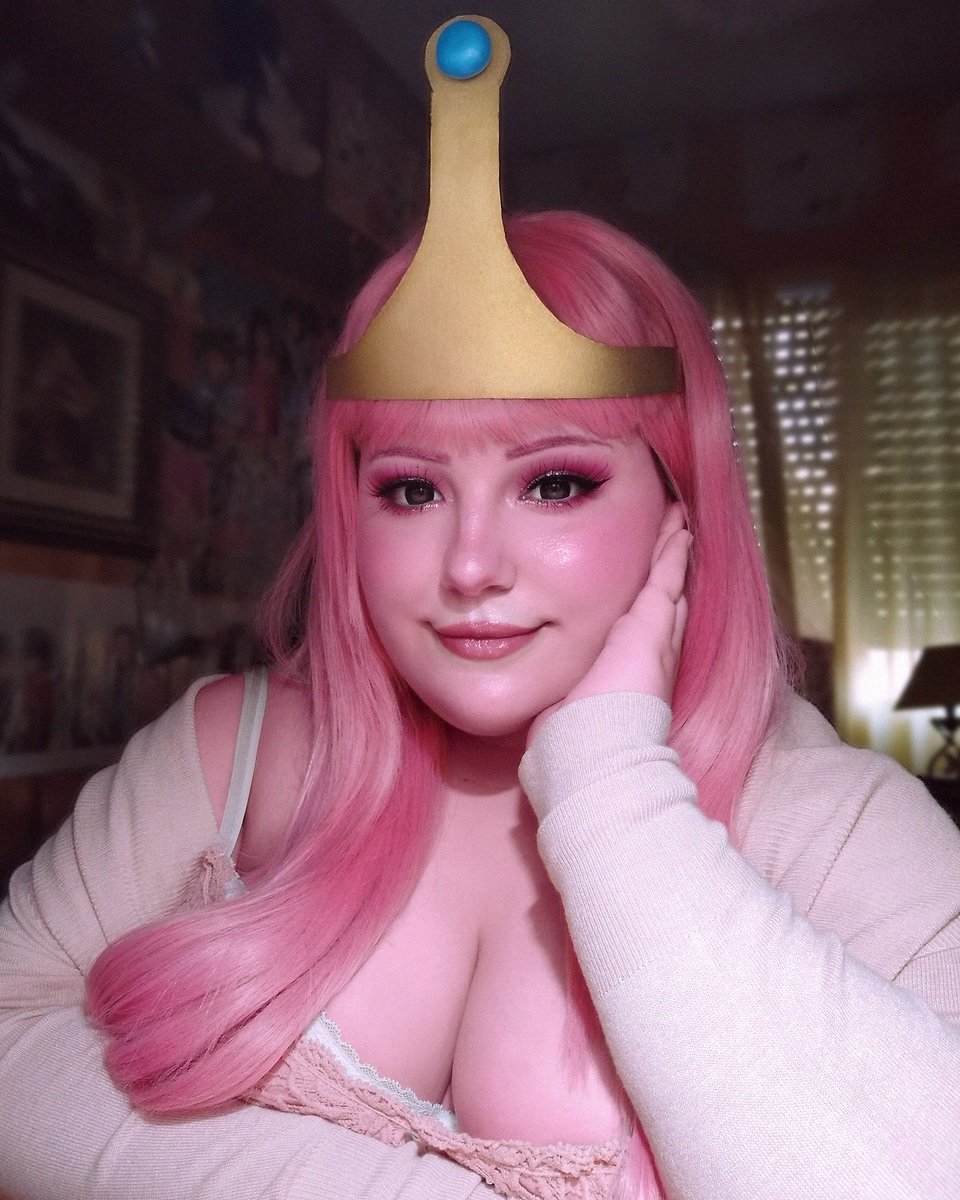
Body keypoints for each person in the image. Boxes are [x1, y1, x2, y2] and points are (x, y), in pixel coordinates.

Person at [2, 17, 959, 1200]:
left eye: (555, 483)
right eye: (411, 489)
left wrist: (615, 787)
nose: (468, 565)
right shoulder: (224, 752)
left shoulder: (839, 824)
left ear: (681, 502)